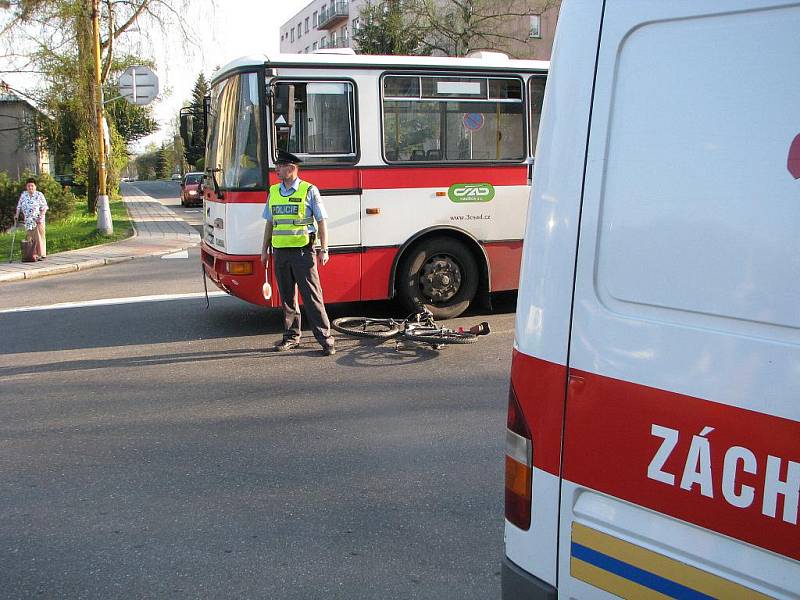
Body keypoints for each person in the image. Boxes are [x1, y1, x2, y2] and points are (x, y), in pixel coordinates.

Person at [261, 149, 336, 356]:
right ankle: (291, 337)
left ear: (292, 168)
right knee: (287, 298)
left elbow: (322, 222)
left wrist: (324, 249)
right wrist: (264, 250)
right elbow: (270, 223)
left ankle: (326, 339)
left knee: (312, 297)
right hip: (280, 253)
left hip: (303, 252)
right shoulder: (274, 191)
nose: (276, 169)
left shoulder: (309, 190)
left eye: (280, 166)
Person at [15, 177, 48, 261]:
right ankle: (33, 254)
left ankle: (41, 254)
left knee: (39, 237)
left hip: (37, 220)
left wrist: (40, 217)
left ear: (35, 186)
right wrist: (16, 215)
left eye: (32, 186)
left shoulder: (39, 195)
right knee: (30, 237)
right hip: (28, 220)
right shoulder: (24, 195)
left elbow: (44, 207)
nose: (30, 188)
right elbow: (19, 206)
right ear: (26, 187)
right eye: (29, 186)